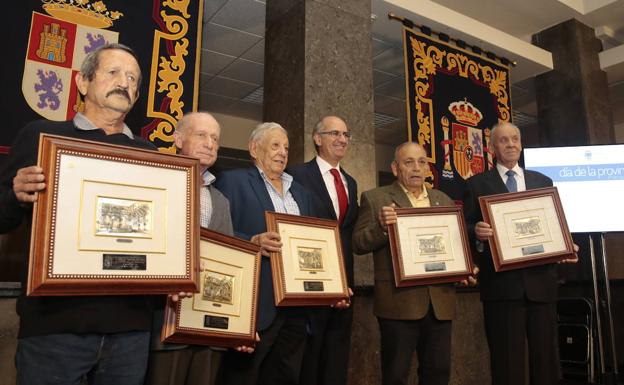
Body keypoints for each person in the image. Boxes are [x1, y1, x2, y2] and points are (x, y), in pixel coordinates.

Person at [0, 43, 157, 384]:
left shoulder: (151, 155)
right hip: (54, 328)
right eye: (113, 72)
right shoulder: (41, 136)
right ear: (83, 83)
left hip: (130, 328)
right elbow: (2, 217)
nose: (124, 82)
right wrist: (15, 194)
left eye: (133, 78)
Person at [463, 122, 577, 385]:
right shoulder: (476, 184)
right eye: (503, 140)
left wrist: (566, 243)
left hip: (542, 285)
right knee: (506, 362)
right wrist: (476, 232)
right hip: (502, 288)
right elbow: (466, 226)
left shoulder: (542, 181)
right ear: (492, 148)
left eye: (515, 139)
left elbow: (554, 224)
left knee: (546, 361)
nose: (511, 144)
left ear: (521, 144)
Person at [215, 122, 317, 385]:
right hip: (256, 304)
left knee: (285, 376)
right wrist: (251, 241)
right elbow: (218, 235)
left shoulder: (301, 193)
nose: (282, 152)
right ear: (254, 148)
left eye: (286, 147)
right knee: (243, 377)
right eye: (275, 145)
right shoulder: (232, 181)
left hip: (295, 306)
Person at [352, 142, 462, 385]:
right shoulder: (375, 198)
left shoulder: (442, 199)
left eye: (422, 162)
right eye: (408, 162)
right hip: (397, 303)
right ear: (395, 168)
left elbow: (454, 243)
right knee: (395, 375)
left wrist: (465, 265)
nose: (416, 168)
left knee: (438, 373)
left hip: (440, 304)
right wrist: (381, 227)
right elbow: (358, 244)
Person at [145, 111, 238, 385]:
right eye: (201, 135)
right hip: (165, 321)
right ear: (177, 139)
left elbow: (228, 264)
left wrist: (235, 324)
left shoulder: (220, 200)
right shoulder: (155, 182)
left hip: (208, 326)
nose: (210, 143)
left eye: (215, 138)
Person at [288, 115, 358, 385]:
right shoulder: (296, 175)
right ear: (317, 139)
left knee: (336, 358)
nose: (342, 139)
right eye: (334, 134)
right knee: (309, 359)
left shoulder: (350, 182)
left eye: (346, 134)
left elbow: (346, 233)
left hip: (344, 287)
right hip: (310, 282)